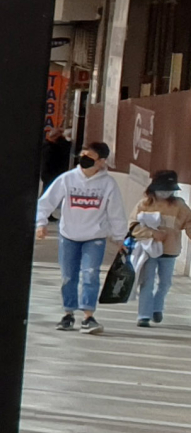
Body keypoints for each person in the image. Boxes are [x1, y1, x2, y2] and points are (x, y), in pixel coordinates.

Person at [36, 139, 125, 334]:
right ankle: (68, 313)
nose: (84, 160)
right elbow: (46, 202)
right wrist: (41, 223)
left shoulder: (108, 184)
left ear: (102, 161)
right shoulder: (67, 179)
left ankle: (88, 316)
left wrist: (120, 238)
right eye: (83, 156)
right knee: (68, 276)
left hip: (95, 236)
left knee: (91, 274)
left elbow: (116, 211)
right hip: (69, 235)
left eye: (90, 157)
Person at [131, 169, 190, 327]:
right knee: (147, 282)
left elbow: (189, 223)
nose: (165, 193)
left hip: (170, 251)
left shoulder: (179, 206)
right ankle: (143, 315)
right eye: (162, 189)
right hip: (149, 250)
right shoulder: (144, 204)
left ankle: (157, 307)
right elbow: (133, 225)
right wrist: (151, 233)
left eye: (169, 190)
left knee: (165, 283)